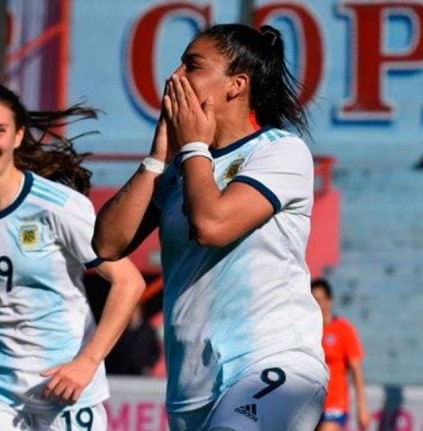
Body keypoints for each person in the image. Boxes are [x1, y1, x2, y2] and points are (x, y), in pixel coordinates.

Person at [93, 23, 329, 431]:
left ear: (236, 85)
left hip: (271, 365)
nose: (175, 77)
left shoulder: (280, 152)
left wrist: (194, 148)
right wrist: (156, 159)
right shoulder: (180, 170)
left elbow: (212, 224)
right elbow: (108, 244)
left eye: (192, 66)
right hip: (191, 390)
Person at [0, 82, 146, 431]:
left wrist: (87, 362)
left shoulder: (59, 207)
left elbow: (128, 282)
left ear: (18, 136)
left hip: (64, 383)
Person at [311, 279, 369, 431]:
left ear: (329, 301)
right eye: (312, 301)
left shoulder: (344, 330)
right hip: (309, 404)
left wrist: (361, 408)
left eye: (319, 300)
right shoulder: (307, 333)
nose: (317, 306)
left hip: (335, 404)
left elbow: (357, 371)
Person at [103, 305, 161, 375]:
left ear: (139, 312)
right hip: (120, 372)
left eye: (134, 311)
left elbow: (155, 350)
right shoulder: (120, 330)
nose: (132, 314)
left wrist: (148, 365)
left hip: (141, 372)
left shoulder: (148, 330)